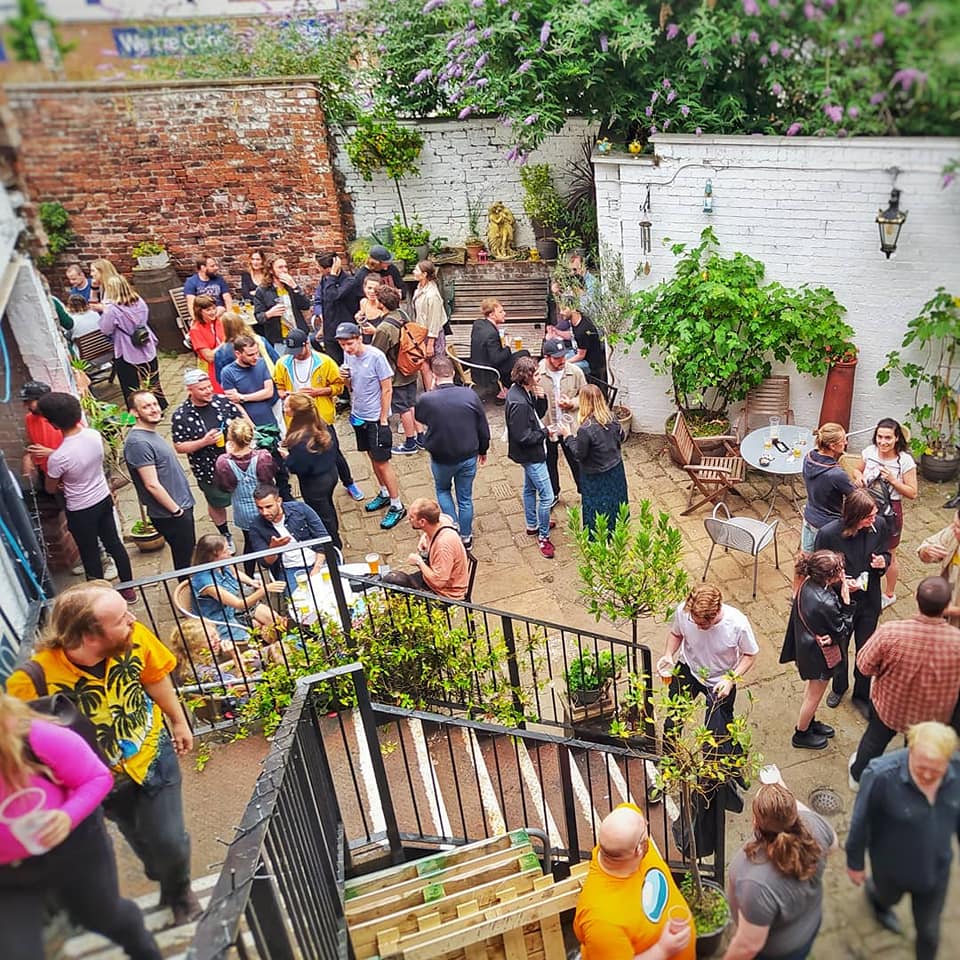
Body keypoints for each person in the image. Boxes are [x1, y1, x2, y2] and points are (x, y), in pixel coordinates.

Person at [5, 583, 201, 925]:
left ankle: (180, 893)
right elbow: (22, 739)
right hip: (101, 781)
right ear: (89, 636)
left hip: (153, 755)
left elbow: (155, 678)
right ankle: (165, 877)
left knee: (169, 839)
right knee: (138, 836)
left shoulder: (134, 637)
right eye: (121, 618)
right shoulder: (31, 681)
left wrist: (179, 721)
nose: (132, 619)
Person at [0, 692, 163, 960]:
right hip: (8, 875)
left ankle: (142, 946)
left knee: (102, 917)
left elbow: (96, 777)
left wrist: (67, 816)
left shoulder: (32, 736)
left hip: (75, 848)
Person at [846, 721, 960, 958]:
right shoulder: (880, 776)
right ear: (911, 749)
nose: (928, 775)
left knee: (929, 932)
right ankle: (876, 899)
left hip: (935, 869)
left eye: (936, 769)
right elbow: (861, 821)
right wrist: (855, 862)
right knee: (886, 897)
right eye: (921, 767)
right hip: (890, 867)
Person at [849, 577, 960, 788]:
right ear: (947, 607)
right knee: (916, 749)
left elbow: (863, 665)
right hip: (930, 717)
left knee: (873, 743)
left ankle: (858, 777)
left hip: (889, 708)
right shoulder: (957, 642)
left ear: (916, 600)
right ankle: (909, 781)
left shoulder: (891, 633)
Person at [36, 392, 135, 600]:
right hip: (102, 498)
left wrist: (58, 472)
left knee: (90, 555)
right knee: (114, 544)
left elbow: (51, 487)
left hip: (81, 510)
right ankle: (129, 588)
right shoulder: (92, 435)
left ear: (54, 424)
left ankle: (100, 596)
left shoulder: (59, 457)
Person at [723, 779, 837, 960]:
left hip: (776, 953)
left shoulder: (753, 878)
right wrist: (783, 791)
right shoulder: (815, 825)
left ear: (755, 822)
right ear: (794, 814)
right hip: (809, 925)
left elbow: (748, 945)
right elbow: (833, 845)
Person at [572, 802, 693, 960]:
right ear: (638, 849)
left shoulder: (627, 828)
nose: (647, 824)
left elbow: (628, 814)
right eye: (645, 830)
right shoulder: (601, 923)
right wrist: (662, 950)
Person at [814, 488, 889, 717]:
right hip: (840, 604)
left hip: (868, 601)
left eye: (875, 515)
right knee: (840, 648)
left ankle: (862, 693)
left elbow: (886, 554)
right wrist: (841, 583)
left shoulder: (880, 526)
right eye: (869, 517)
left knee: (865, 650)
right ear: (855, 516)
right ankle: (839, 686)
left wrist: (882, 563)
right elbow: (818, 571)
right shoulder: (828, 534)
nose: (874, 520)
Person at [660, 583, 759, 744]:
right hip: (688, 669)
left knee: (719, 734)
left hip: (720, 680)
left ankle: (731, 763)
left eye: (703, 624)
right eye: (695, 622)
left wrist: (730, 679)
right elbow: (676, 634)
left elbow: (750, 654)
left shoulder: (737, 624)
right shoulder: (683, 611)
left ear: (716, 613)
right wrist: (668, 654)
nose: (698, 627)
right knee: (672, 722)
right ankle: (669, 761)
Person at [274, 328, 362, 502]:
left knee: (334, 451)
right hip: (295, 421)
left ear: (306, 344)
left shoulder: (324, 362)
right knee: (302, 452)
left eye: (299, 351)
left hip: (321, 418)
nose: (296, 355)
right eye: (292, 352)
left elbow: (338, 387)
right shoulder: (283, 363)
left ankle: (349, 482)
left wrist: (318, 392)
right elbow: (278, 385)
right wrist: (284, 393)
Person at [336, 321, 407, 530]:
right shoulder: (348, 356)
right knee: (371, 457)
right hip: (359, 415)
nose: (347, 348)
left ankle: (397, 504)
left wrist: (383, 419)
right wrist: (345, 380)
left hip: (376, 418)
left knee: (383, 461)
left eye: (350, 343)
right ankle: (384, 492)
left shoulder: (376, 356)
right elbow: (352, 386)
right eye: (342, 345)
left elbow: (387, 389)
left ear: (359, 338)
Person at [414, 354, 489, 550]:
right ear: (454, 372)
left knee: (443, 490)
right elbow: (483, 426)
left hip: (441, 457)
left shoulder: (426, 399)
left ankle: (451, 529)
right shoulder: (470, 395)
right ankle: (466, 536)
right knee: (465, 497)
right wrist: (483, 449)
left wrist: (430, 391)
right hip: (467, 455)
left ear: (434, 376)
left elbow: (421, 418)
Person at [780, 550, 853, 750]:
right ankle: (801, 733)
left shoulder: (807, 584)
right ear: (828, 576)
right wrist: (846, 603)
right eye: (838, 569)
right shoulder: (826, 602)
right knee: (814, 695)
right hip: (818, 656)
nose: (842, 571)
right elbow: (842, 629)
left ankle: (809, 722)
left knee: (812, 691)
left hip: (807, 648)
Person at [170, 369, 246, 554]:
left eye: (209, 386)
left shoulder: (222, 402)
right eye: (202, 389)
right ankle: (225, 533)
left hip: (236, 462)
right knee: (217, 503)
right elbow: (180, 446)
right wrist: (204, 442)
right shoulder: (181, 415)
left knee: (245, 498)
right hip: (208, 469)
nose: (208, 391)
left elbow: (241, 421)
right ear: (190, 390)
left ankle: (250, 531)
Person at [124, 390, 196, 574]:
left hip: (180, 506)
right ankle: (190, 598)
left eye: (154, 404)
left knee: (189, 557)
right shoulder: (138, 443)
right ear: (134, 412)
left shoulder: (150, 434)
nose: (154, 409)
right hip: (171, 513)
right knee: (186, 562)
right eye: (146, 406)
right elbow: (151, 484)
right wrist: (177, 511)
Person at [853, 418, 917, 609]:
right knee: (862, 547)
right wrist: (859, 478)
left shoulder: (905, 461)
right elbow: (857, 469)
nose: (883, 442)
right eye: (880, 437)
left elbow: (913, 493)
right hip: (867, 505)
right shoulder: (869, 451)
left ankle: (889, 594)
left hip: (890, 511)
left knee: (889, 553)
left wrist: (893, 480)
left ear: (897, 438)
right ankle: (861, 583)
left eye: (888, 438)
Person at [558, 383, 628, 533]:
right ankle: (617, 531)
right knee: (615, 501)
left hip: (594, 474)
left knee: (596, 506)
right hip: (615, 468)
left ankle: (598, 537)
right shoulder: (612, 417)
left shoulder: (586, 429)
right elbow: (621, 437)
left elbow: (579, 454)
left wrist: (568, 436)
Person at [188, 533, 281, 643]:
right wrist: (264, 590)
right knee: (259, 629)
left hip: (235, 608)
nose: (229, 553)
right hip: (221, 618)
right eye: (225, 551)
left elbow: (235, 573)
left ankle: (274, 649)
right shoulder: (206, 581)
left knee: (276, 621)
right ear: (213, 555)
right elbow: (239, 604)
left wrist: (251, 582)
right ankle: (266, 650)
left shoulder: (221, 561)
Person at [505, 356, 555, 558]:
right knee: (547, 497)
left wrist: (541, 397)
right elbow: (523, 435)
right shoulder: (519, 403)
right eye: (536, 374)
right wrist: (546, 432)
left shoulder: (522, 392)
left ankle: (532, 524)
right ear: (526, 376)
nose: (540, 376)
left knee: (529, 488)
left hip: (529, 453)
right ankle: (543, 537)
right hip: (531, 455)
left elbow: (538, 414)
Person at [282, 393, 343, 549]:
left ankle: (332, 545)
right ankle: (334, 534)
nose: (284, 407)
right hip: (330, 473)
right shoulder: (320, 423)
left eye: (288, 405)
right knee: (328, 507)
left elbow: (297, 467)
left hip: (314, 484)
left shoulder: (299, 440)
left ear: (296, 412)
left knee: (322, 515)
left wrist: (288, 457)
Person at [213, 417, 277, 565]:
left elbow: (225, 487)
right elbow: (269, 479)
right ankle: (272, 566)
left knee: (250, 543)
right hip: (266, 506)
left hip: (243, 510)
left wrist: (227, 453)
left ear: (230, 438)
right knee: (271, 539)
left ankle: (251, 574)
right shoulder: (263, 457)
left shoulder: (223, 462)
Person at [98, 275, 167, 409]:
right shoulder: (139, 301)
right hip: (145, 343)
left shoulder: (112, 309)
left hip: (126, 349)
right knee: (152, 378)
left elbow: (105, 329)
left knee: (130, 384)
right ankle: (160, 405)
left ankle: (135, 411)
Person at [382, 498, 470, 600]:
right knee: (392, 581)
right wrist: (425, 536)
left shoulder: (443, 546)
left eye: (411, 518)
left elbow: (439, 582)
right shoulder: (441, 520)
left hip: (445, 593)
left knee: (396, 584)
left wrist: (419, 562)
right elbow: (446, 517)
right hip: (433, 577)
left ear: (422, 522)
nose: (408, 520)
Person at [370, 283, 422, 455]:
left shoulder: (384, 328)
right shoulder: (402, 314)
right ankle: (421, 436)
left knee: (403, 408)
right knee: (412, 403)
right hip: (410, 368)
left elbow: (377, 353)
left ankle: (410, 443)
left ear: (381, 304)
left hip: (397, 374)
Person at [247, 484, 329, 591]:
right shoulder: (256, 527)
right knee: (298, 602)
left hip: (318, 560)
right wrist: (274, 549)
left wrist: (317, 567)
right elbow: (265, 563)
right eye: (260, 508)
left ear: (279, 501)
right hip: (290, 569)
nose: (264, 512)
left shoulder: (300, 509)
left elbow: (324, 538)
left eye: (268, 507)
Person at [538, 338, 585, 504]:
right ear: (547, 357)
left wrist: (572, 403)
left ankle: (584, 490)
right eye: (557, 358)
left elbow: (585, 397)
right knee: (549, 461)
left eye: (563, 356)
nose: (562, 360)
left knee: (576, 459)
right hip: (548, 426)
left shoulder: (575, 372)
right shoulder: (537, 374)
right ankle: (553, 494)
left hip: (569, 427)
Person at [800, 422, 855, 552]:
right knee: (824, 565)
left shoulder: (808, 458)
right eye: (843, 440)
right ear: (832, 446)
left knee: (805, 559)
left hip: (809, 516)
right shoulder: (836, 474)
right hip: (827, 525)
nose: (846, 443)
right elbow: (855, 497)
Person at [471, 298, 530, 402]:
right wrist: (507, 346)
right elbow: (496, 360)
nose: (504, 313)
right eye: (501, 312)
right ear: (492, 315)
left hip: (476, 366)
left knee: (519, 355)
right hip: (487, 372)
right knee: (524, 355)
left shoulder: (478, 324)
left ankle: (507, 387)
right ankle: (506, 391)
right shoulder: (491, 334)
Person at [313, 252, 361, 364]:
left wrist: (333, 276)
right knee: (334, 365)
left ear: (329, 269)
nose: (319, 270)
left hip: (346, 331)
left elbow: (332, 296)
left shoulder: (349, 281)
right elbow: (324, 302)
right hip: (330, 332)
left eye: (320, 268)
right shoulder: (325, 280)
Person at [253, 253, 310, 347]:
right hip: (279, 339)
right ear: (271, 270)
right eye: (280, 267)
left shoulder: (291, 286)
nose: (284, 270)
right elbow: (258, 317)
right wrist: (269, 313)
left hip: (299, 335)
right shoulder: (262, 290)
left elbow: (305, 305)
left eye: (285, 267)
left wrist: (295, 287)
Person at [917, 507, 960, 626]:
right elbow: (925, 550)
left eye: (958, 527)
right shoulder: (953, 533)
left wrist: (945, 610)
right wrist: (926, 552)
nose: (952, 529)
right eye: (954, 524)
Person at [214, 308, 279, 383]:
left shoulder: (221, 352)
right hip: (268, 382)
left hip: (242, 389)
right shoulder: (260, 340)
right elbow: (276, 360)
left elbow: (221, 379)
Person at [412, 260, 446, 389]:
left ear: (424, 274)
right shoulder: (421, 287)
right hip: (422, 333)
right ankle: (430, 394)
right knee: (424, 365)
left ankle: (438, 393)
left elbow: (434, 321)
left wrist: (430, 343)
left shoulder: (432, 295)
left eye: (416, 270)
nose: (414, 272)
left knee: (437, 366)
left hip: (432, 335)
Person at [557, 298, 606, 382]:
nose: (561, 312)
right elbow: (572, 336)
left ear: (573, 309)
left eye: (564, 309)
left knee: (563, 368)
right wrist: (556, 333)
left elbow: (580, 356)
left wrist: (564, 363)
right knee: (556, 357)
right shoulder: (576, 320)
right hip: (576, 352)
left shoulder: (583, 330)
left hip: (589, 363)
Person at [189, 294, 226, 393]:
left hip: (225, 362)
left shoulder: (219, 321)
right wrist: (225, 343)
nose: (213, 312)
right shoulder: (196, 330)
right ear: (199, 312)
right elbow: (209, 357)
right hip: (210, 368)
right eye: (208, 310)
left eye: (214, 308)